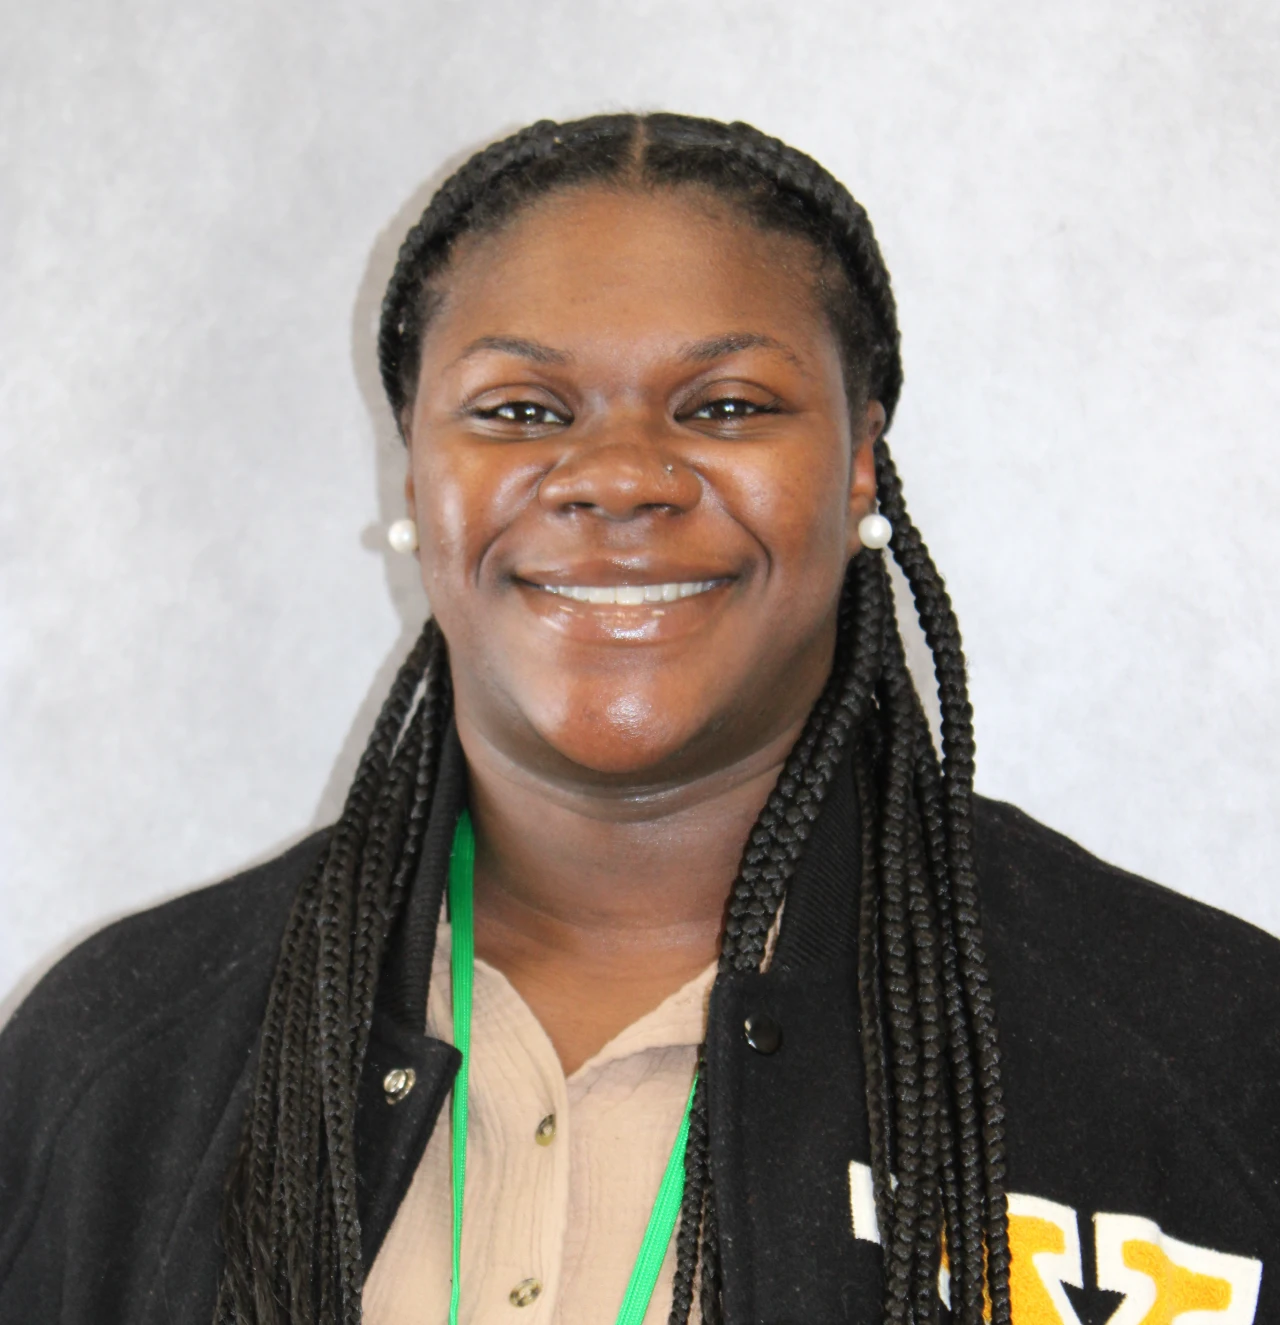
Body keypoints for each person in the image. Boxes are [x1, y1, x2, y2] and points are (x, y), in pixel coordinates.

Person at [0, 112, 1277, 1325]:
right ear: (416, 472)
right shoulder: (120, 1060)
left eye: (724, 406)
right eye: (519, 411)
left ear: (855, 462)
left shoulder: (1209, 1058)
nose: (617, 478)